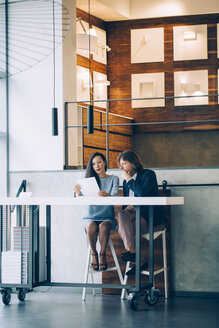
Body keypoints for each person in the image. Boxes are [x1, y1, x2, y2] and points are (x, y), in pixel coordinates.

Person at [117, 150, 167, 275]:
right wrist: (129, 206)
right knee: (121, 214)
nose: (120, 167)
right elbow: (126, 203)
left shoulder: (148, 175)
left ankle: (138, 260)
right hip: (135, 216)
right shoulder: (125, 181)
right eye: (120, 164)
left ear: (133, 163)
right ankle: (132, 252)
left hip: (149, 217)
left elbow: (143, 193)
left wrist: (129, 179)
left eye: (123, 163)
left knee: (122, 230)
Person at [74, 152, 119, 271]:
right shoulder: (88, 181)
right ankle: (94, 255)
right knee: (90, 226)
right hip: (90, 217)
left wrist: (107, 195)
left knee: (104, 227)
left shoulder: (113, 178)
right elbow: (80, 199)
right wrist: (77, 193)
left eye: (99, 162)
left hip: (107, 218)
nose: (97, 165)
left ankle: (102, 254)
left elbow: (115, 196)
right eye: (93, 164)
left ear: (105, 162)